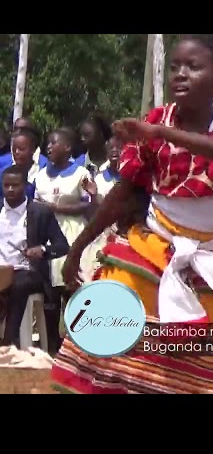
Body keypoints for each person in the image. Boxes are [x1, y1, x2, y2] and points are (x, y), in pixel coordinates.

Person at [52, 34, 213, 394]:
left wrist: (160, 132)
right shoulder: (157, 120)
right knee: (109, 344)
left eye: (193, 66)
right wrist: (78, 247)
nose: (180, 75)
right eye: (175, 67)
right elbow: (127, 189)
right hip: (151, 249)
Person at [33, 129, 94, 352]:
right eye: (47, 143)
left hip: (73, 232)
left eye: (54, 143)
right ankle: (51, 344)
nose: (49, 147)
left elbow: (88, 202)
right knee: (50, 291)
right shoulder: (40, 175)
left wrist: (57, 208)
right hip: (47, 236)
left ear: (67, 147)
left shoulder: (80, 173)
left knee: (72, 288)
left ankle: (78, 343)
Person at [0, 165, 69, 350]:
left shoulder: (40, 212)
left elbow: (62, 246)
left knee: (17, 284)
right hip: (2, 270)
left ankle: (9, 341)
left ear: (25, 185)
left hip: (29, 271)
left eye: (15, 185)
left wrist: (43, 249)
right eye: (6, 185)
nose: (10, 190)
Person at [81, 137, 123, 279]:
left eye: (118, 147)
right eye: (111, 148)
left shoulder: (131, 178)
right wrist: (93, 196)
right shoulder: (98, 179)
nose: (115, 150)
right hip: (102, 234)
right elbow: (93, 212)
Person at [0, 129, 47, 203]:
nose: (17, 152)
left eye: (21, 149)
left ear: (33, 150)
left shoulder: (43, 170)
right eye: (14, 149)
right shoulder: (4, 172)